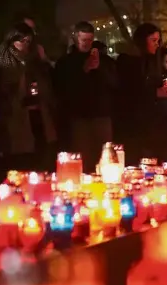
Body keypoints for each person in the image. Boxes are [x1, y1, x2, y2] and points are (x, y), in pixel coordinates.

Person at [55, 21, 117, 172]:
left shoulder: (105, 61)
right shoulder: (66, 62)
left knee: (105, 157)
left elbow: (115, 83)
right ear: (76, 38)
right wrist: (84, 71)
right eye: (84, 40)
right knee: (83, 157)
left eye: (90, 40)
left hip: (102, 116)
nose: (87, 43)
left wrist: (99, 69)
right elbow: (63, 88)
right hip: (79, 118)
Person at [0, 22, 57, 172]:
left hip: (39, 117)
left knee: (42, 159)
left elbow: (48, 86)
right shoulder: (5, 64)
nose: (24, 45)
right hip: (18, 122)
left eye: (28, 41)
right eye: (21, 41)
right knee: (22, 163)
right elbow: (4, 93)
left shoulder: (35, 62)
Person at [116, 23, 167, 163]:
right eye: (153, 40)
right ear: (142, 40)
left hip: (154, 123)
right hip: (136, 126)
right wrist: (155, 93)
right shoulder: (127, 61)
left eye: (158, 41)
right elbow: (128, 91)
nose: (157, 44)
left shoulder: (153, 60)